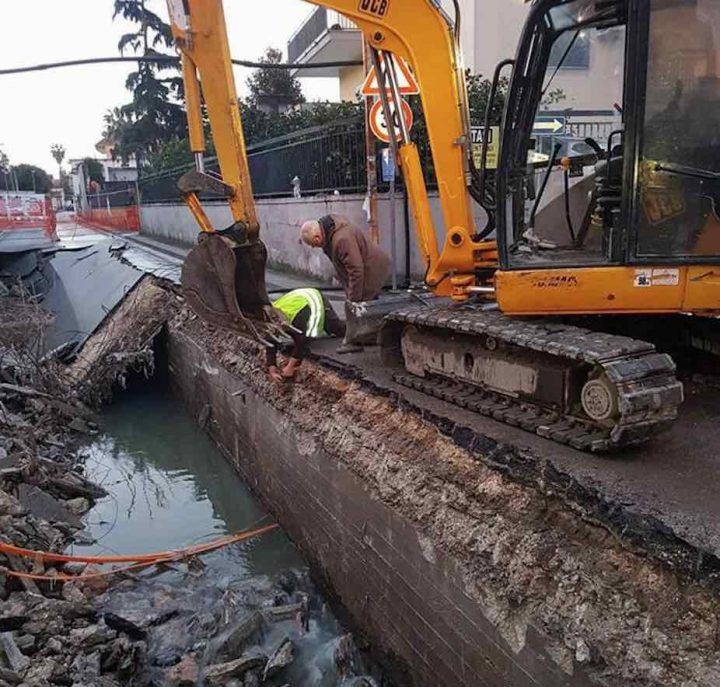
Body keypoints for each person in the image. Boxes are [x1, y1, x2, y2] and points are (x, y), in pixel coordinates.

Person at [300, 214, 391, 353]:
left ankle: (352, 342)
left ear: (317, 238)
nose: (314, 247)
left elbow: (356, 270)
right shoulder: (331, 233)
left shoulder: (341, 239)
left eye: (313, 244)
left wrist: (353, 299)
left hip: (371, 270)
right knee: (366, 304)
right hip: (369, 266)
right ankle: (372, 336)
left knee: (353, 306)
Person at [266, 287, 345, 382]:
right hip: (299, 299)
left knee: (338, 329)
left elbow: (302, 341)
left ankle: (357, 327)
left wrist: (290, 366)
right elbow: (270, 343)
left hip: (314, 299)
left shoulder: (296, 319)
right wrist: (272, 369)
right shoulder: (270, 316)